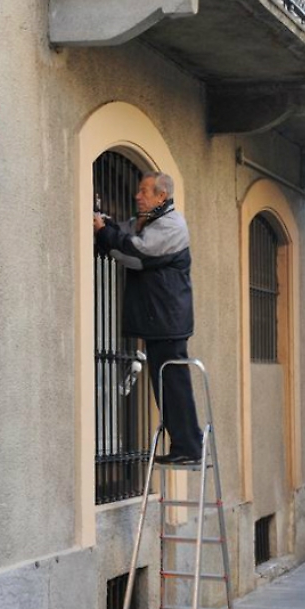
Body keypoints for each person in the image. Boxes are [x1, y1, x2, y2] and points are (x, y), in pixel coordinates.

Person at [94, 172, 203, 465]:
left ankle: (189, 448)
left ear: (161, 196)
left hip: (168, 321)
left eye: (144, 191)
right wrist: (105, 227)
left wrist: (104, 232)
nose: (137, 195)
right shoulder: (151, 221)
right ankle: (184, 445)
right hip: (162, 319)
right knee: (166, 383)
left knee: (173, 384)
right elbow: (127, 234)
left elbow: (138, 251)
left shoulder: (171, 225)